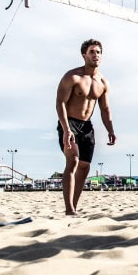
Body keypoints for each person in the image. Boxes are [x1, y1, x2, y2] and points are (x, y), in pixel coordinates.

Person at [56, 39, 116, 216]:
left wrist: (110, 130)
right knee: (73, 161)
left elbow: (105, 108)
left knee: (85, 167)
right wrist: (66, 129)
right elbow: (60, 103)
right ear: (84, 55)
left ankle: (73, 206)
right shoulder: (73, 76)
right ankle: (69, 208)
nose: (95, 55)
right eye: (92, 52)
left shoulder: (103, 82)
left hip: (87, 126)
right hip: (70, 122)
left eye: (98, 52)